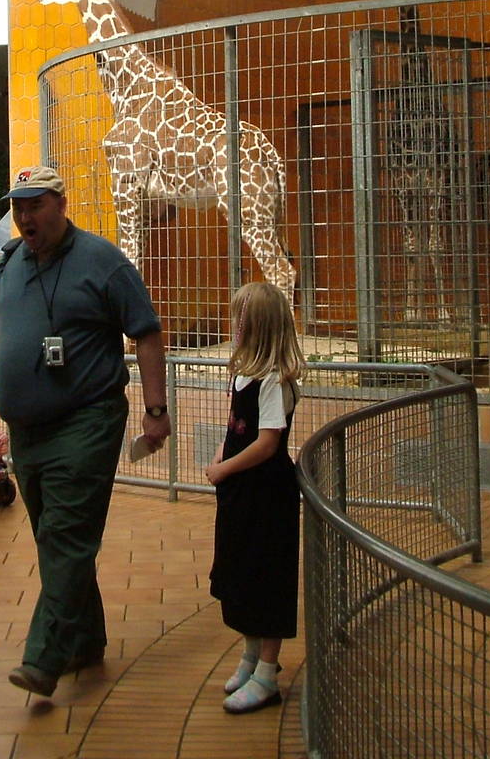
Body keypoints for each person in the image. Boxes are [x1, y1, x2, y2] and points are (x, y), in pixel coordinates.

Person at [0, 164, 170, 698]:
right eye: (18, 206)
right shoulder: (11, 263)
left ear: (61, 203)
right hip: (27, 429)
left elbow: (147, 332)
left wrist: (156, 409)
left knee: (65, 535)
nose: (25, 216)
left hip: (88, 419)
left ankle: (44, 657)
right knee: (54, 538)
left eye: (35, 204)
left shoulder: (102, 260)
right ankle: (85, 639)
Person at [204, 281, 304, 714]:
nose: (233, 325)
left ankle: (267, 670)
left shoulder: (272, 382)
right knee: (239, 571)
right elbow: (235, 430)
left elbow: (267, 443)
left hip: (266, 494)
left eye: (238, 318)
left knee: (266, 575)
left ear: (255, 326)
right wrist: (220, 457)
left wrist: (224, 468)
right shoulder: (243, 373)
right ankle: (249, 655)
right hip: (240, 492)